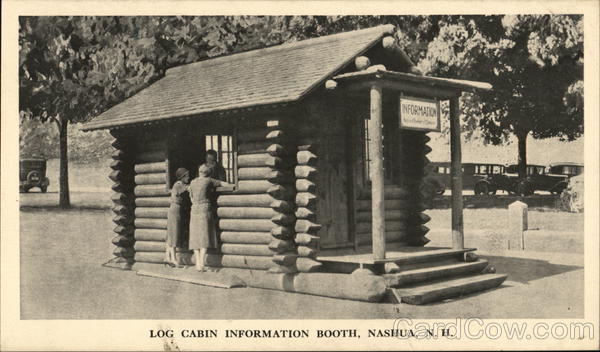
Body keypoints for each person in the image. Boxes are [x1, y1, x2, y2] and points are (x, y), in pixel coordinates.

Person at [188, 164, 234, 271]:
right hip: (204, 208)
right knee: (205, 234)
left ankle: (197, 263)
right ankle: (202, 264)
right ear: (208, 173)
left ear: (199, 172)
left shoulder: (193, 182)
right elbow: (224, 184)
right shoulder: (209, 180)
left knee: (195, 235)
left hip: (194, 208)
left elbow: (191, 196)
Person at [165, 167, 190, 267]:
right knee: (174, 234)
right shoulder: (178, 184)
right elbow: (188, 188)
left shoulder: (181, 185)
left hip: (175, 209)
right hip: (175, 209)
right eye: (187, 176)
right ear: (182, 177)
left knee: (171, 234)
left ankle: (167, 257)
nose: (189, 178)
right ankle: (173, 259)